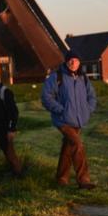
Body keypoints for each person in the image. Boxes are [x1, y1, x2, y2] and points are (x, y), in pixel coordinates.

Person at [41, 50, 97, 189]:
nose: (74, 63)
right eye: (71, 60)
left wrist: (87, 110)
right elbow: (46, 97)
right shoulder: (56, 77)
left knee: (68, 148)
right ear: (66, 62)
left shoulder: (83, 78)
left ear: (79, 62)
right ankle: (83, 180)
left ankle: (61, 179)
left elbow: (92, 96)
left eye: (76, 61)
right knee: (78, 145)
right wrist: (61, 110)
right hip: (63, 120)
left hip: (78, 120)